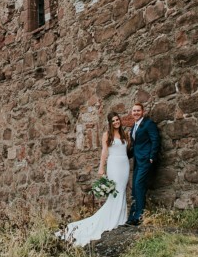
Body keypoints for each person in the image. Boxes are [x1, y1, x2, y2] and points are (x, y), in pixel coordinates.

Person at [57, 112, 130, 246]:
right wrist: (101, 168)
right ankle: (112, 220)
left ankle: (121, 218)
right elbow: (104, 152)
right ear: (110, 123)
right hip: (114, 165)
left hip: (124, 165)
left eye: (117, 120)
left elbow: (127, 150)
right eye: (113, 121)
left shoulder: (125, 135)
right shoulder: (107, 135)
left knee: (122, 191)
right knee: (116, 193)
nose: (116, 122)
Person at [126, 102, 160, 226]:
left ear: (143, 111)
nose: (136, 113)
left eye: (138, 111)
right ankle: (132, 215)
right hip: (137, 161)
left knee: (139, 185)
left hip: (146, 160)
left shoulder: (148, 124)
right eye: (134, 111)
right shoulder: (133, 127)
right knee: (135, 188)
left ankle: (139, 216)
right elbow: (135, 146)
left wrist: (152, 156)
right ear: (131, 113)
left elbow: (155, 139)